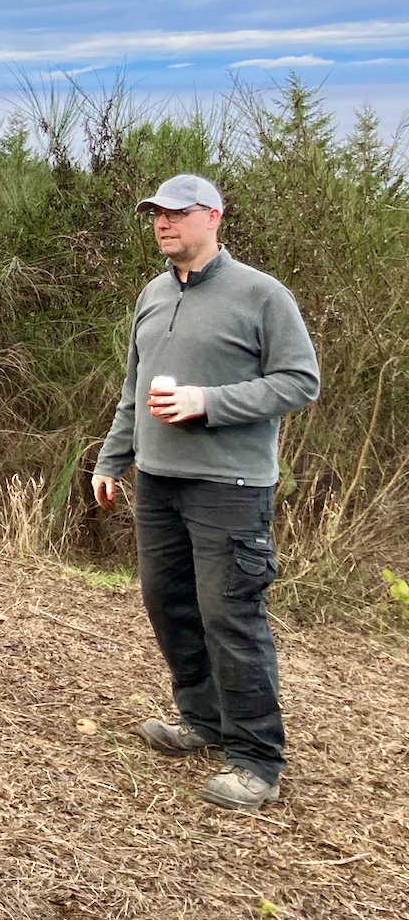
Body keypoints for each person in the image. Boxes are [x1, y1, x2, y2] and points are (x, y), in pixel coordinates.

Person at [91, 173, 318, 810]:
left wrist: (208, 402)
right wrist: (114, 458)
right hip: (159, 483)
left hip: (231, 487)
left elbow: (300, 382)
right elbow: (133, 390)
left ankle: (256, 759)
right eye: (156, 215)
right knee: (169, 605)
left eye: (178, 213)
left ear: (213, 217)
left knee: (231, 618)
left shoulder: (261, 295)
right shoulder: (154, 295)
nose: (164, 224)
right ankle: (203, 720)